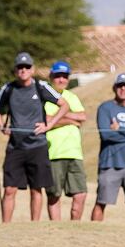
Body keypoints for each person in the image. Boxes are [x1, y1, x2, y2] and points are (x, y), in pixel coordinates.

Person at [0, 53, 65, 223]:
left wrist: (48, 125)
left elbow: (64, 104)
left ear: (32, 69)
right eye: (20, 67)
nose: (23, 70)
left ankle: (35, 225)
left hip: (37, 146)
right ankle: (6, 225)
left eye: (26, 67)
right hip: (16, 147)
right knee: (10, 189)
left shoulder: (41, 86)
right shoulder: (8, 88)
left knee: (36, 189)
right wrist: (2, 127)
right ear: (15, 70)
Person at [91, 73, 125, 226]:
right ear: (114, 87)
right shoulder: (105, 108)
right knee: (101, 201)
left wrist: (119, 128)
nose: (123, 89)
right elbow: (106, 134)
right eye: (120, 85)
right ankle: (94, 232)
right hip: (109, 164)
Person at [40, 62, 87, 222]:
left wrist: (58, 118)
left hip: (74, 152)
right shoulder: (45, 97)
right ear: (51, 77)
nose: (61, 80)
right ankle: (56, 229)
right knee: (54, 195)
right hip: (54, 153)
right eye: (58, 76)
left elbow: (82, 117)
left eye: (64, 76)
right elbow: (45, 120)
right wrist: (69, 119)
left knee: (80, 193)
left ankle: (74, 228)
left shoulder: (72, 96)